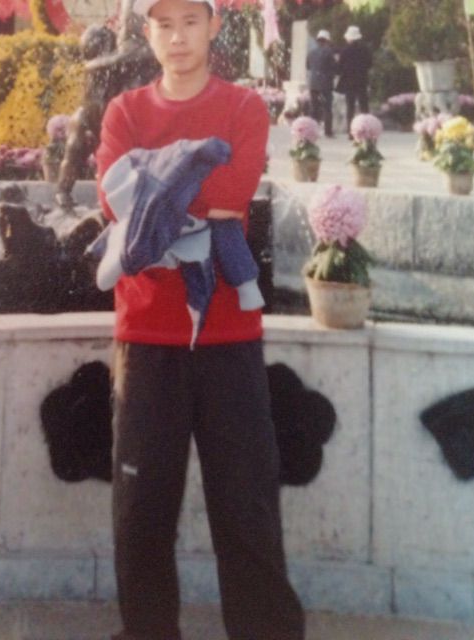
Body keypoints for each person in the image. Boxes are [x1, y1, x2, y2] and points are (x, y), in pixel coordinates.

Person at [95, 0, 306, 637]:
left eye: (190, 21)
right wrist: (185, 187)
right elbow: (114, 203)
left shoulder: (244, 108)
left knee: (247, 508)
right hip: (145, 334)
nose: (177, 36)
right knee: (140, 511)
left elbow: (230, 193)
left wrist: (151, 186)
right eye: (163, 23)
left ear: (214, 26)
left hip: (228, 337)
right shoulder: (124, 111)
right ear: (147, 32)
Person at [336, 25, 373, 137]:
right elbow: (370, 64)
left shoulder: (344, 50)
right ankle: (366, 130)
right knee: (364, 106)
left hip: (349, 81)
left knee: (350, 107)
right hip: (362, 80)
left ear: (349, 38)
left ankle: (351, 131)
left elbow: (339, 67)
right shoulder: (365, 50)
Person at [306, 29, 336, 137]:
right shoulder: (329, 52)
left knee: (313, 108)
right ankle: (328, 131)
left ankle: (311, 131)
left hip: (313, 82)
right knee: (327, 107)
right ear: (327, 40)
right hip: (326, 83)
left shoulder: (311, 52)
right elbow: (334, 67)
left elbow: (308, 66)